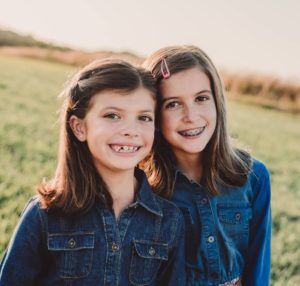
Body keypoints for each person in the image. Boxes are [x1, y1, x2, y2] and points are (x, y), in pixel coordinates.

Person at [0, 58, 186, 286]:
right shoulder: (45, 214)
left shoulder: (169, 221)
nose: (131, 130)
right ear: (79, 127)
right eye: (112, 115)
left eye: (144, 118)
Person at [142, 45, 271, 286]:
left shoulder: (253, 176)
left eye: (201, 98)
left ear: (217, 103)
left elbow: (258, 265)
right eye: (173, 104)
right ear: (154, 116)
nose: (190, 115)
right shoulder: (141, 185)